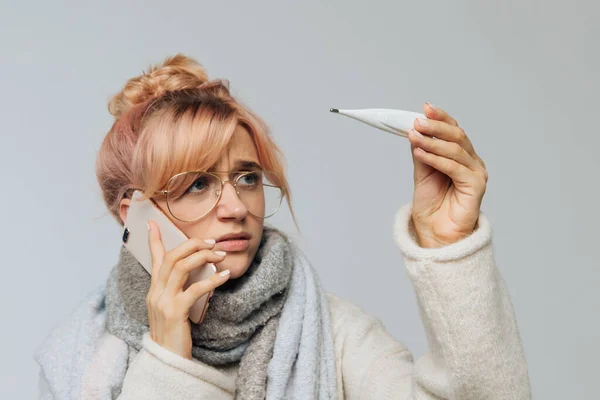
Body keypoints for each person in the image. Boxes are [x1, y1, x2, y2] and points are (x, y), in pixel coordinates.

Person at [34, 54, 531, 400]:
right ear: (134, 215)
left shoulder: (333, 334)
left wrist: (449, 248)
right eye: (197, 185)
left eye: (247, 177)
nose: (235, 207)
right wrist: (168, 356)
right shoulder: (80, 359)